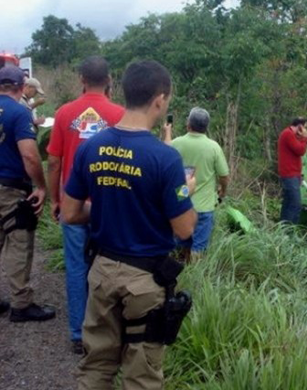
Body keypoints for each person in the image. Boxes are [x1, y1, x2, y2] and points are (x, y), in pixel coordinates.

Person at [61, 60, 197, 390]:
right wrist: (185, 189)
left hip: (102, 269)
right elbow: (184, 229)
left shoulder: (91, 146)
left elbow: (70, 213)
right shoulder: (165, 159)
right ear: (160, 99)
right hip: (145, 282)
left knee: (96, 363)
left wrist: (109, 204)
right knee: (141, 375)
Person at [46, 56, 124, 354]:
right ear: (109, 80)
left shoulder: (65, 114)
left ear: (81, 79)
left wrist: (56, 199)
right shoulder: (119, 114)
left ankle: (78, 334)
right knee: (108, 266)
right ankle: (106, 329)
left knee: (77, 266)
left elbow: (54, 162)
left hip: (74, 205)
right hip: (109, 206)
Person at [0, 65, 55, 322]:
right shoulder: (19, 113)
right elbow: (30, 156)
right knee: (18, 241)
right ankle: (21, 304)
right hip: (10, 187)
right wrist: (42, 186)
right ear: (22, 88)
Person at [163, 107, 229, 259]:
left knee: (179, 245)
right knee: (198, 247)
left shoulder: (177, 143)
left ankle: (178, 275)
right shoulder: (213, 147)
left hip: (181, 203)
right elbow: (224, 176)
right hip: (204, 207)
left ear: (188, 124)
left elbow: (165, 152)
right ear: (206, 127)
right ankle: (195, 278)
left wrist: (167, 132)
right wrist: (222, 191)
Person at [277, 117, 307, 224]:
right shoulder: (288, 134)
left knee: (288, 203)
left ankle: (283, 229)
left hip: (292, 174)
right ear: (300, 126)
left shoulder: (289, 134)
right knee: (296, 204)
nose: (305, 131)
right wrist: (304, 138)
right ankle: (290, 231)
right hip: (290, 175)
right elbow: (300, 150)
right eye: (305, 128)